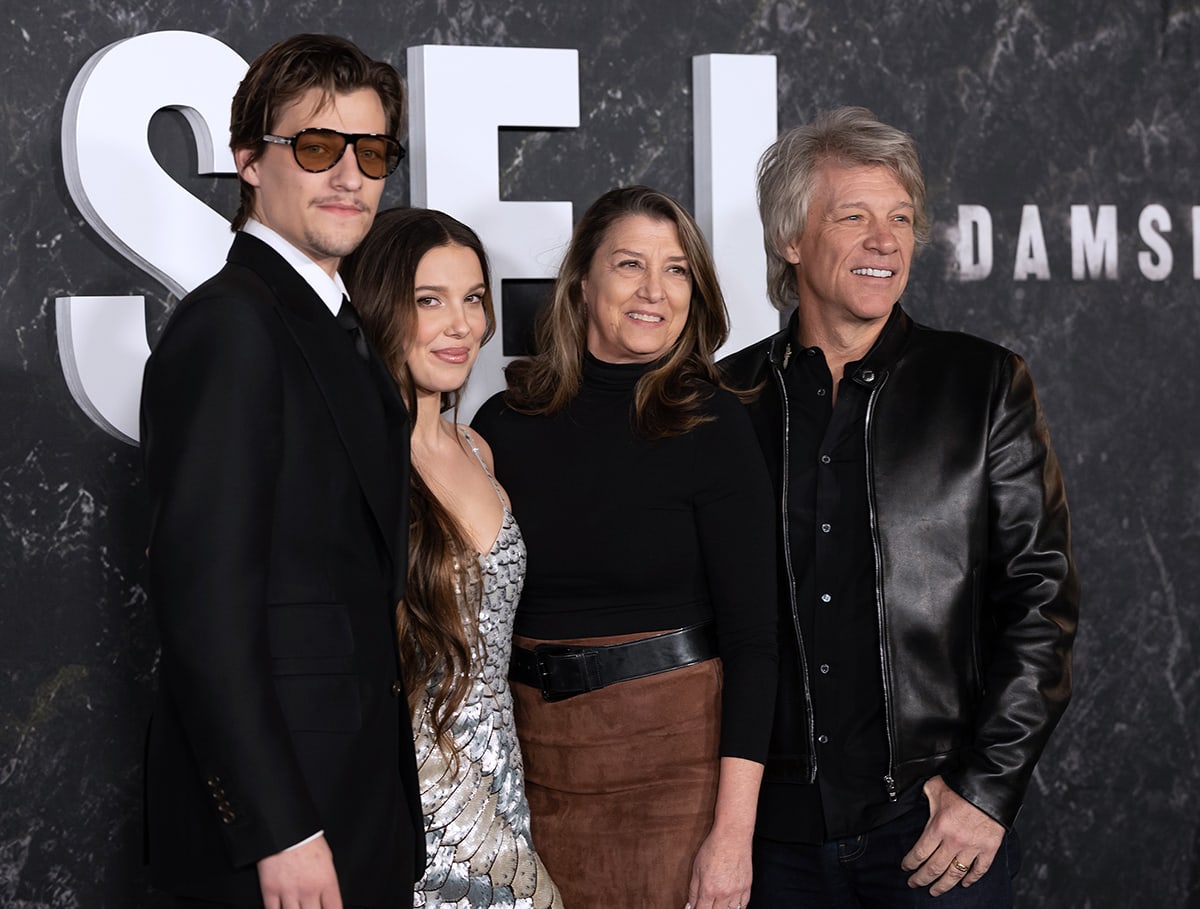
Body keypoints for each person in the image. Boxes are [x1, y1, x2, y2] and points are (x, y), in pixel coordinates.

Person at [719, 107, 1080, 907]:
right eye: (854, 217)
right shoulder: (723, 401)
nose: (886, 241)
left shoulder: (985, 384)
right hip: (768, 848)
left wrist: (986, 791)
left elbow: (1042, 602)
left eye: (902, 219)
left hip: (930, 836)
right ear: (790, 239)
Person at [140, 34, 423, 907]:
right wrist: (281, 830)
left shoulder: (331, 325)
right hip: (279, 838)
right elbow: (204, 609)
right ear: (247, 163)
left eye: (370, 152)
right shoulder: (233, 328)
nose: (349, 176)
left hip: (357, 806)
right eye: (315, 147)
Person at [472, 185, 778, 909]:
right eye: (629, 264)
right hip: (530, 767)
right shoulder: (504, 423)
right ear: (582, 282)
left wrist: (733, 834)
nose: (654, 290)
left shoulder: (714, 424)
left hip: (674, 767)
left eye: (676, 270)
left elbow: (757, 640)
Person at [342, 207, 563, 909]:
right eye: (428, 300)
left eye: (472, 298)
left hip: (501, 776)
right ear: (379, 308)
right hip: (417, 794)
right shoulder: (353, 462)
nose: (461, 324)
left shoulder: (476, 448)